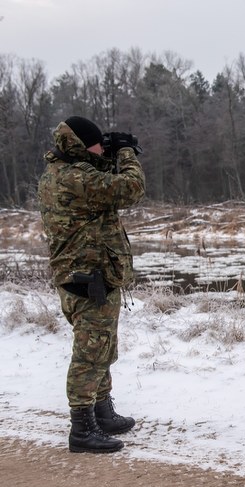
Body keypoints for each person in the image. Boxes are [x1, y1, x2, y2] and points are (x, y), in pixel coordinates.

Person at [38, 116, 146, 453]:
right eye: (97, 144)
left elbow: (100, 184)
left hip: (85, 275)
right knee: (90, 352)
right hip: (87, 279)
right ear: (81, 147)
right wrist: (126, 153)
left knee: (102, 346)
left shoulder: (63, 172)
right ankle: (82, 428)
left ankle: (102, 410)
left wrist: (106, 154)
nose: (102, 149)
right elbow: (131, 188)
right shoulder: (74, 177)